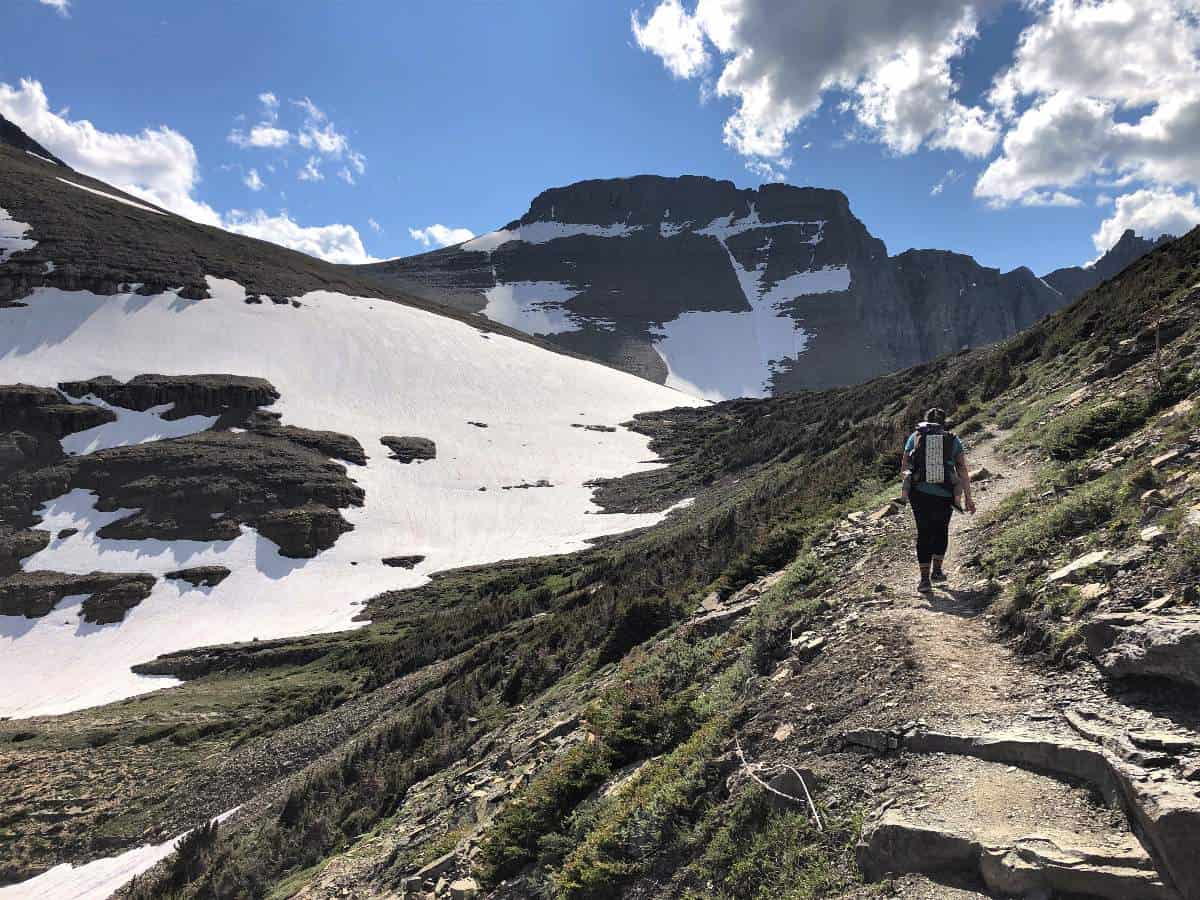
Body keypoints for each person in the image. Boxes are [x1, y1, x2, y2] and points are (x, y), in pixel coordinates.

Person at [900, 407, 975, 593]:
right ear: (944, 422)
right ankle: (938, 571)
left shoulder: (915, 437)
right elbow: (962, 470)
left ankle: (924, 580)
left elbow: (904, 465)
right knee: (941, 529)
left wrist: (908, 485)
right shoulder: (953, 439)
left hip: (919, 493)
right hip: (945, 493)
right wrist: (968, 497)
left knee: (923, 532)